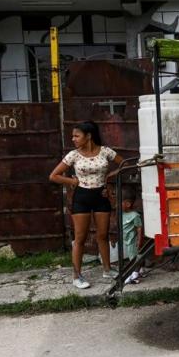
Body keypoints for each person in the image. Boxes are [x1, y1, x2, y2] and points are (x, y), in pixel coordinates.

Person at [49, 121, 123, 289]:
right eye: (73, 136)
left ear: (88, 136)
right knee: (80, 238)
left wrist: (109, 177)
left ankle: (107, 269)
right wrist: (71, 181)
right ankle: (77, 275)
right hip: (81, 197)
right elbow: (53, 175)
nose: (73, 139)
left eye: (76, 136)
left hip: (101, 196)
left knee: (103, 235)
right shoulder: (73, 155)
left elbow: (124, 165)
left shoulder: (105, 151)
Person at [119, 185, 145, 284]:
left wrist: (139, 240)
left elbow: (139, 228)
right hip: (126, 240)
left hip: (132, 241)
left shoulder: (135, 216)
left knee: (133, 258)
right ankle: (140, 270)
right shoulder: (122, 214)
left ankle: (135, 275)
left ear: (128, 204)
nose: (117, 205)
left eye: (120, 202)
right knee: (133, 256)